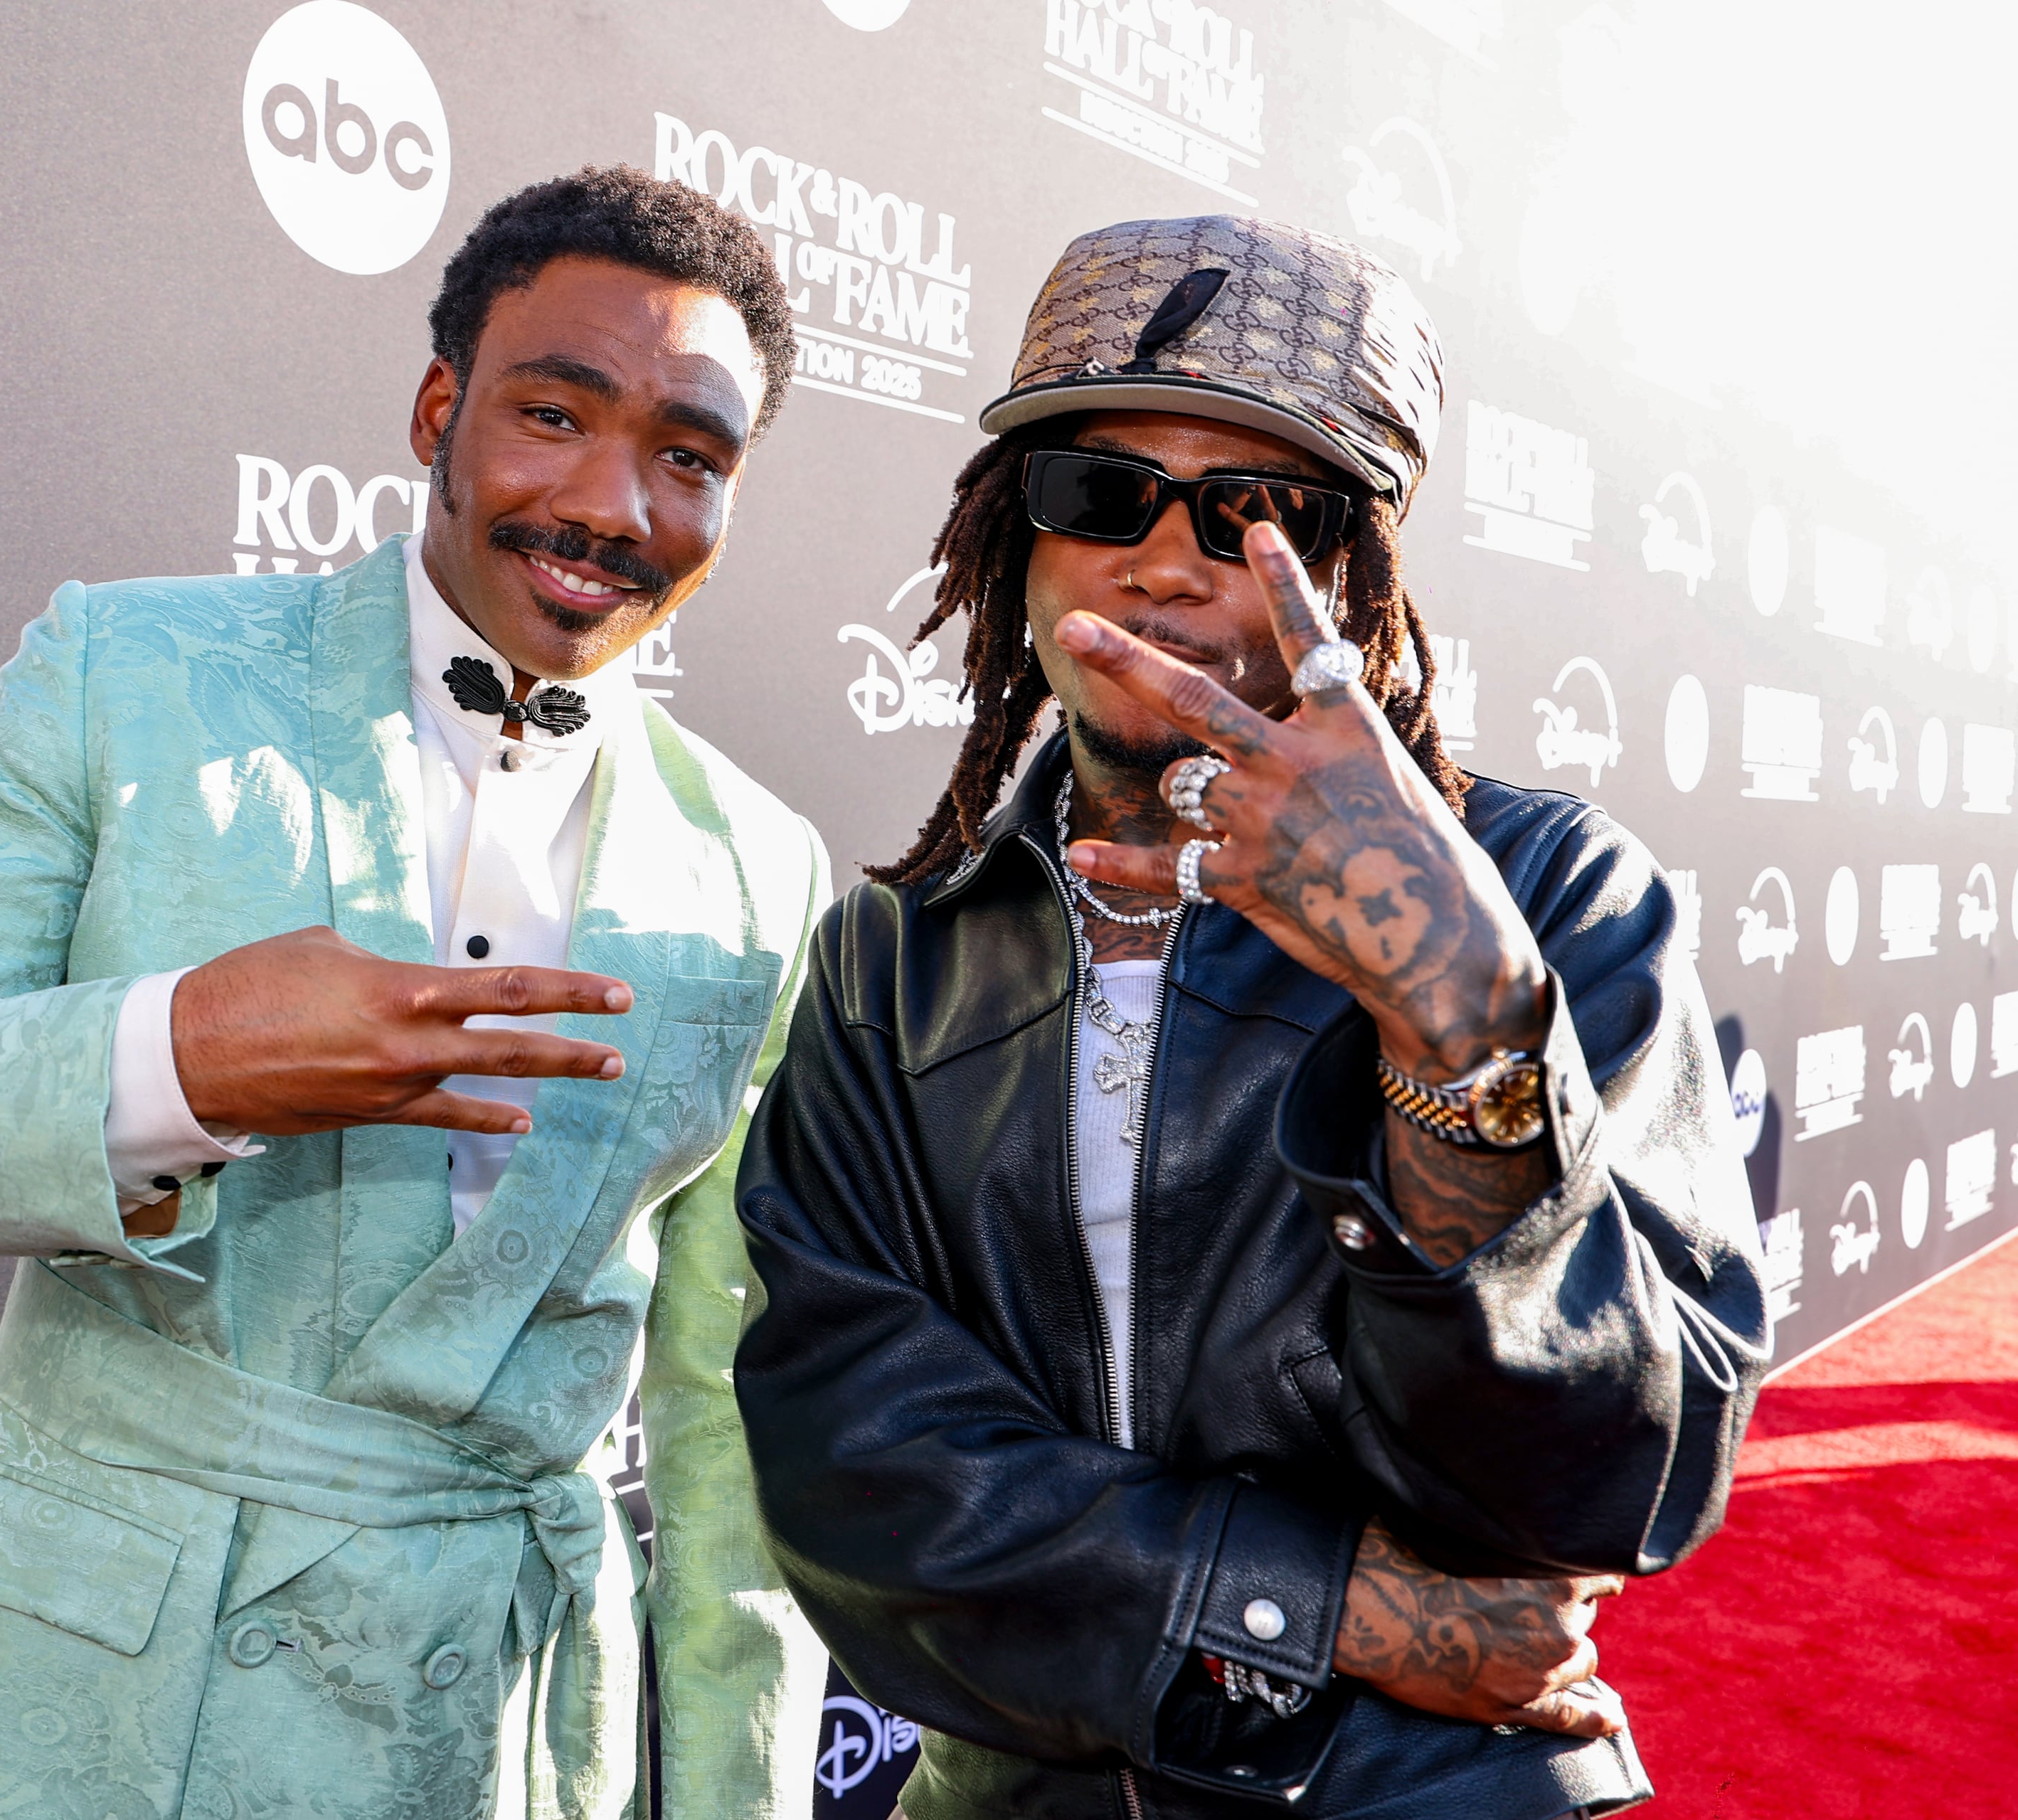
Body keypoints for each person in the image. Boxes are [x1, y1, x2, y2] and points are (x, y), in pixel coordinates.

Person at [0, 167, 832, 1820]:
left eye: (688, 457)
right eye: (554, 413)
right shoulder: (125, 676)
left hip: (485, 1734)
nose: (611, 502)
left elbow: (732, 1425)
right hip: (72, 1718)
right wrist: (182, 1061)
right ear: (440, 408)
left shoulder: (765, 867)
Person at [732, 216, 1768, 1820]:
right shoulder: (891, 958)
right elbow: (851, 1466)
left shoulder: (1552, 892)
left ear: (1356, 568)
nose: (1165, 558)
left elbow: (1624, 1465)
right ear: (1020, 534)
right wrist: (1317, 1602)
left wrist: (1457, 1026)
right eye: (1101, 491)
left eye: (1258, 510)